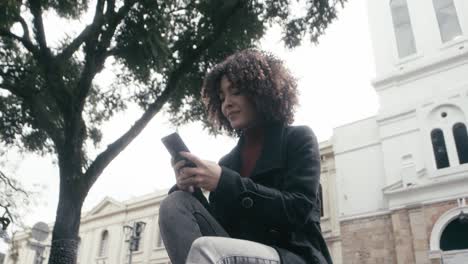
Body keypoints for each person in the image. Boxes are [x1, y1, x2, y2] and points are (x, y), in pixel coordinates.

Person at [158, 49, 332, 264]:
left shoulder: (298, 138)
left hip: (292, 257)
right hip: (236, 255)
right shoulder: (228, 163)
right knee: (175, 203)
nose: (226, 104)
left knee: (206, 248)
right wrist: (190, 189)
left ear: (261, 92)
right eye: (221, 98)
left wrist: (224, 182)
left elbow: (298, 210)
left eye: (236, 92)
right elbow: (220, 227)